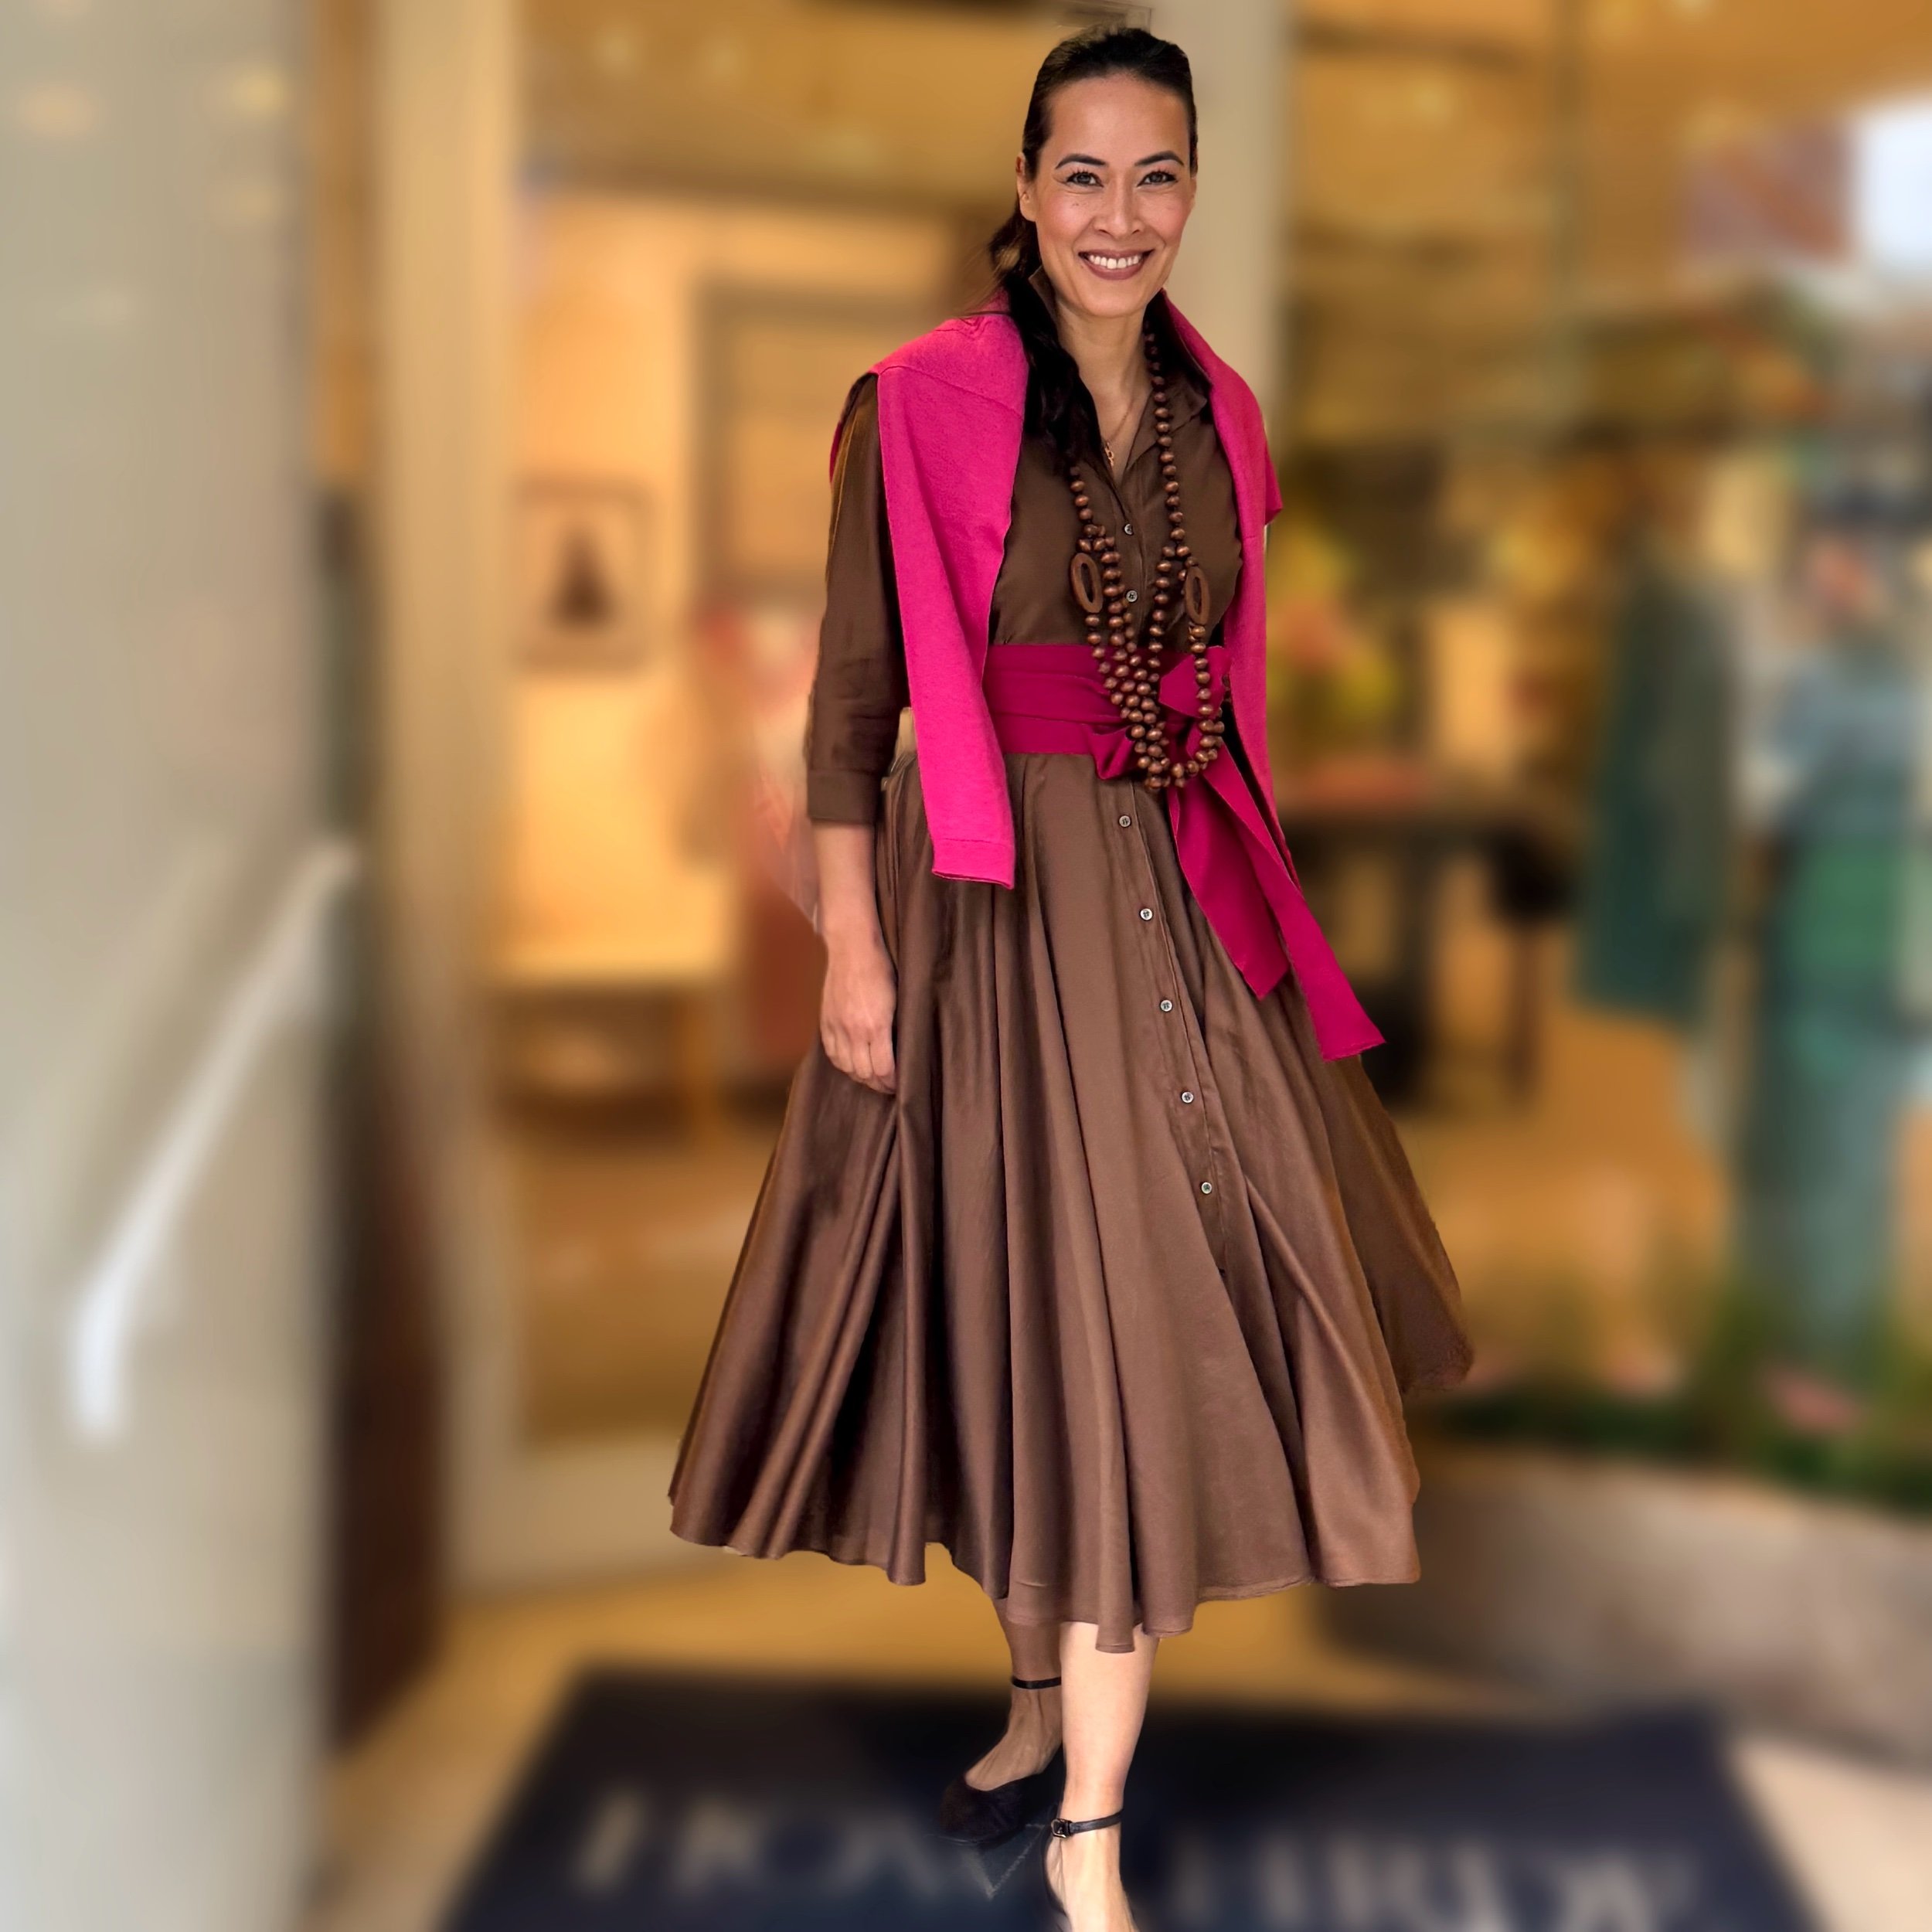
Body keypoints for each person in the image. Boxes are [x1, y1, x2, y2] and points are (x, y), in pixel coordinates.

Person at [668, 26, 1474, 1930]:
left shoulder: (1224, 418)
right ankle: (1040, 1712)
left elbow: (1227, 692)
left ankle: (1085, 1829)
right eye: (1084, 173)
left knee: (1128, 1331)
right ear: (1024, 189)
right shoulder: (916, 402)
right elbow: (849, 709)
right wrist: (852, 950)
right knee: (1016, 1316)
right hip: (988, 908)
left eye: (1157, 173)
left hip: (1177, 907)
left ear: (1192, 189)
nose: (1121, 214)